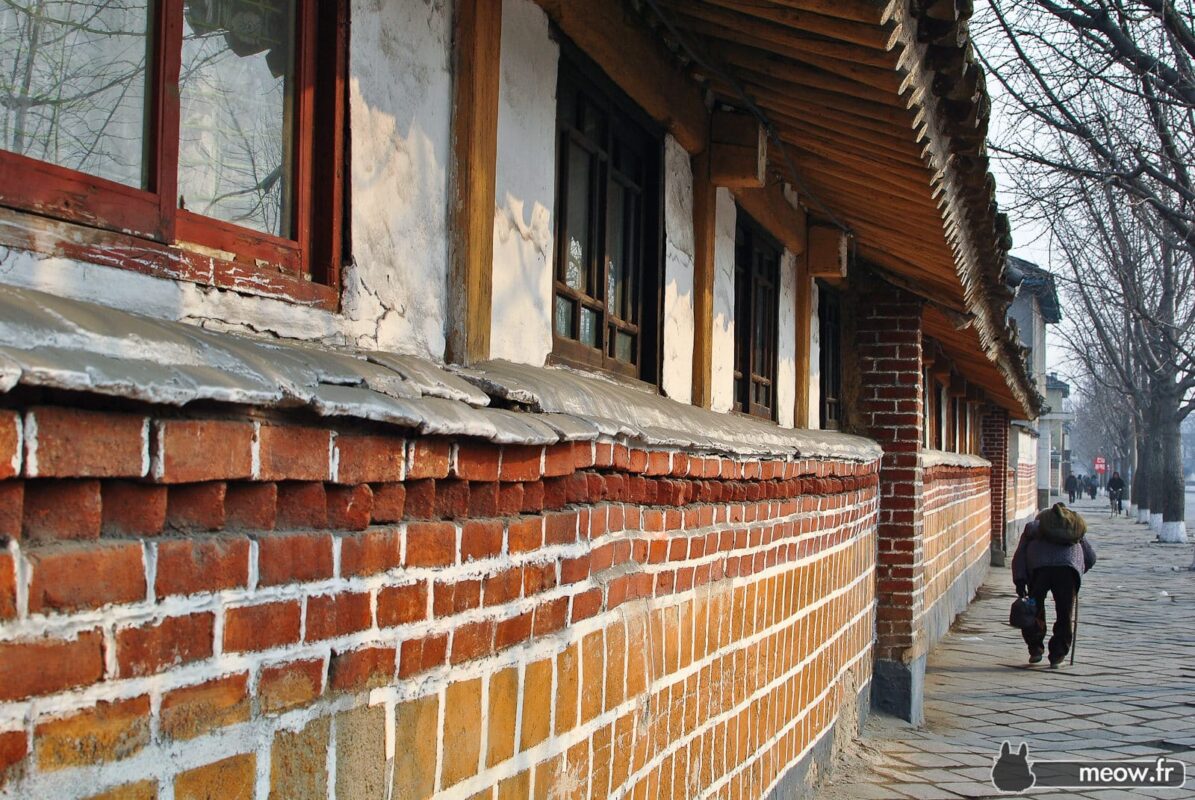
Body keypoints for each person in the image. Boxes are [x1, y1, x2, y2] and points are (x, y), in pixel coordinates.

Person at [1011, 503, 1097, 668]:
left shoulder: (1034, 527)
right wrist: (1077, 571)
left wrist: (1020, 580)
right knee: (1064, 613)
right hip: (1067, 570)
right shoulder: (1074, 528)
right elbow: (1091, 558)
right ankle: (1057, 655)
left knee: (1034, 608)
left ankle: (1035, 647)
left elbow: (1020, 554)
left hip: (1039, 569)